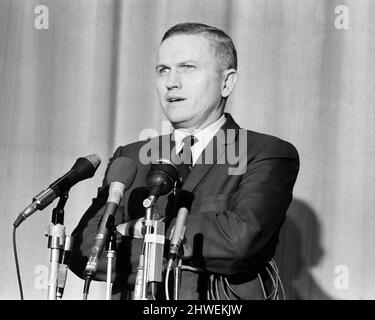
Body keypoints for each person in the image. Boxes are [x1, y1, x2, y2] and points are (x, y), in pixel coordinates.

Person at [69, 22, 300, 300]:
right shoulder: (130, 157)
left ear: (226, 82)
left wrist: (134, 230)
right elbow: (84, 252)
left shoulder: (265, 152)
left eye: (188, 67)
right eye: (163, 70)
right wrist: (194, 251)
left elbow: (240, 241)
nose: (171, 82)